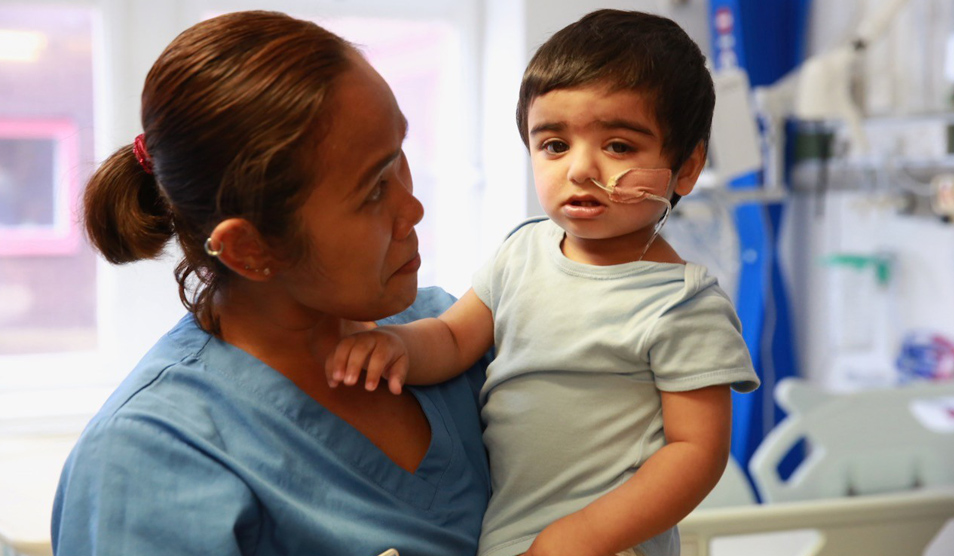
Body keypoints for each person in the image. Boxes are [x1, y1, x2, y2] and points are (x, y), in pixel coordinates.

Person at [52, 10, 491, 556]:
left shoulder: (457, 335)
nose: (413, 208)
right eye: (374, 190)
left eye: (398, 155)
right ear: (250, 249)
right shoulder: (150, 456)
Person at [325, 10, 760, 556]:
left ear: (688, 168)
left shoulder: (681, 303)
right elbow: (457, 339)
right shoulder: (523, 251)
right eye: (554, 144)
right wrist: (398, 346)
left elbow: (696, 452)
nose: (580, 170)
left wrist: (583, 536)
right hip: (508, 536)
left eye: (619, 146)